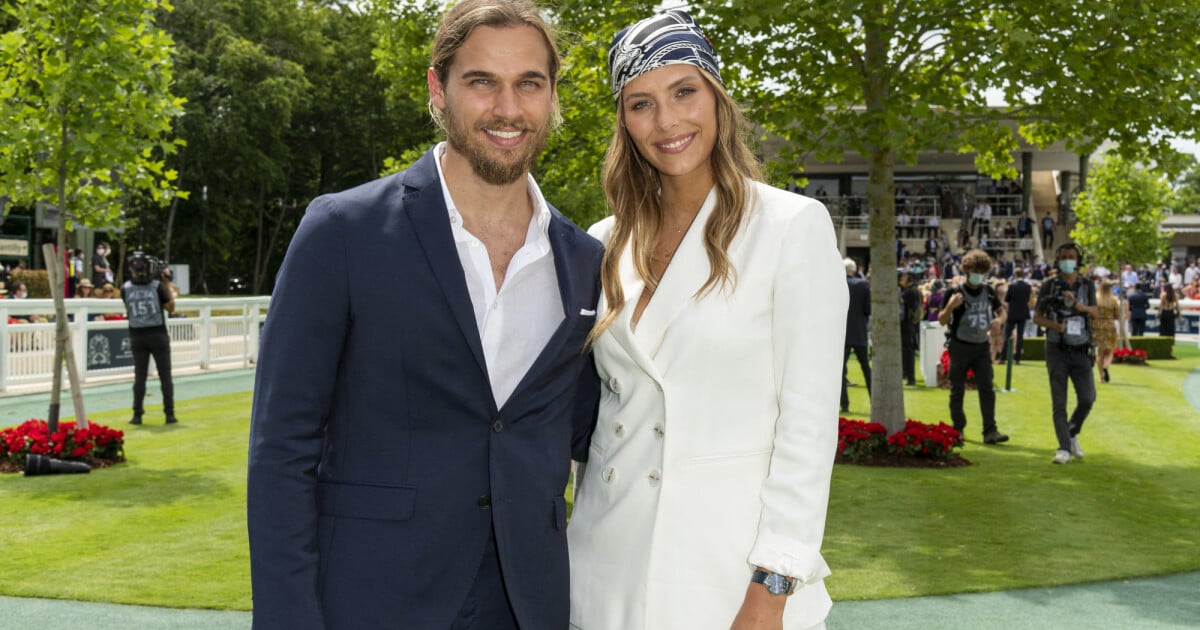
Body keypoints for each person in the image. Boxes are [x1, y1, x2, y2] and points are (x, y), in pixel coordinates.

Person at [246, 2, 603, 628]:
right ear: (438, 89)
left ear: (552, 98)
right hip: (372, 596)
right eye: (481, 81)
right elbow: (281, 450)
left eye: (529, 83)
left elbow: (591, 430)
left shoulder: (585, 260)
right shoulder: (343, 231)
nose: (508, 109)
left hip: (528, 601)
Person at [567, 10, 847, 630]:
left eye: (684, 92)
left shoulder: (790, 228)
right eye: (641, 103)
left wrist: (772, 586)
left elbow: (807, 428)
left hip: (729, 580)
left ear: (717, 100)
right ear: (624, 121)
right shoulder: (605, 241)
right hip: (600, 564)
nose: (667, 121)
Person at [1033, 243, 1097, 464]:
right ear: (1058, 260)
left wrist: (1079, 306)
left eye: (1071, 257)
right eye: (1064, 257)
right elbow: (1037, 317)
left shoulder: (1087, 285)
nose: (1068, 261)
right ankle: (1063, 448)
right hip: (1057, 349)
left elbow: (1095, 311)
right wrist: (1054, 325)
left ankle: (1071, 432)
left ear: (1078, 260)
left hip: (1081, 349)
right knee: (1059, 402)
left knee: (1088, 398)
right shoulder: (1049, 286)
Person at [938, 249, 1009, 445]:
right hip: (959, 346)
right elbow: (942, 320)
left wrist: (998, 321)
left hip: (981, 346)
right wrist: (951, 306)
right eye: (974, 271)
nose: (978, 275)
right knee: (957, 389)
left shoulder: (988, 291)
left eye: (981, 271)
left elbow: (1002, 312)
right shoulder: (954, 292)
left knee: (987, 388)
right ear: (967, 271)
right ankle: (958, 428)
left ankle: (990, 430)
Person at [122, 252, 176, 425]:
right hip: (158, 334)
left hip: (137, 335)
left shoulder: (126, 288)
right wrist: (166, 282)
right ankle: (169, 414)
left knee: (140, 376)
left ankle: (137, 414)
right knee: (165, 376)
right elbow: (171, 307)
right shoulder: (157, 286)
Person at [842, 257, 872, 412]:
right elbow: (868, 310)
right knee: (866, 369)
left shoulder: (837, 285)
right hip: (859, 331)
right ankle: (874, 399)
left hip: (843, 333)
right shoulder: (862, 285)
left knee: (840, 370)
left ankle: (844, 404)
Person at [1091, 280, 1121, 383]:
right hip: (1109, 326)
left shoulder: (1095, 298)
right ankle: (1105, 366)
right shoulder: (1112, 300)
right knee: (1110, 350)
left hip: (1098, 326)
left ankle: (1101, 376)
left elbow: (1091, 313)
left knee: (1100, 352)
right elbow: (1117, 315)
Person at [1003, 267, 1033, 363]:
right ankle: (1018, 359)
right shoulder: (1027, 286)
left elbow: (1007, 299)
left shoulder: (1012, 286)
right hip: (1023, 312)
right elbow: (1027, 299)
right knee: (1020, 336)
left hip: (1012, 313)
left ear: (1015, 275)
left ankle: (1002, 358)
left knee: (1007, 335)